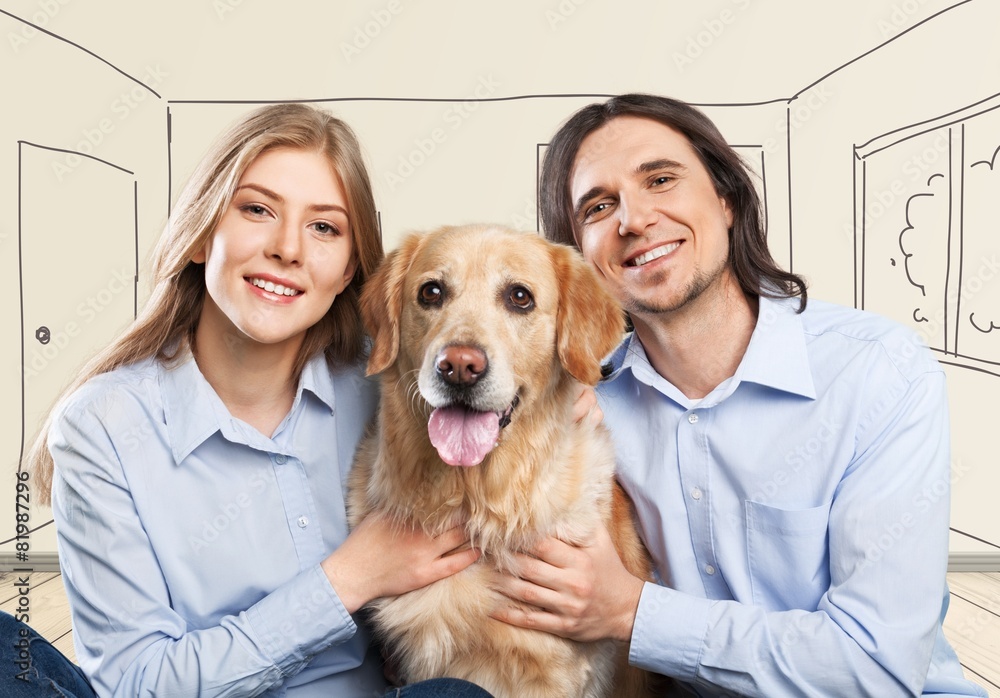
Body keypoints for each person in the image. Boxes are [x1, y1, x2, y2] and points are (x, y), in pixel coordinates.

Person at [490, 93, 989, 697]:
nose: (634, 219)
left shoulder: (876, 375)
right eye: (599, 206)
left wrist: (631, 612)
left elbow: (875, 668)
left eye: (661, 179)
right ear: (576, 255)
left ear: (726, 200)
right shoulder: (578, 406)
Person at [10, 103, 493, 697]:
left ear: (347, 271)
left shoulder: (390, 381)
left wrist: (575, 399)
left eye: (324, 227)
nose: (288, 249)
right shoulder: (101, 425)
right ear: (200, 235)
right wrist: (347, 579)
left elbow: (525, 393)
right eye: (258, 210)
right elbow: (139, 684)